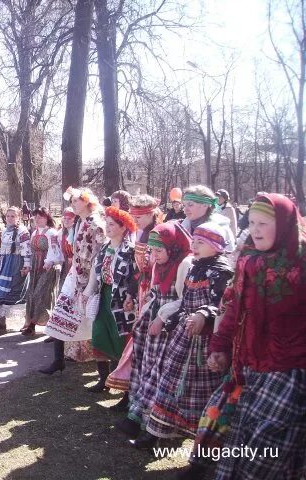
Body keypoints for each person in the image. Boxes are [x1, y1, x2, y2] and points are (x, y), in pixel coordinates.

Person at [182, 194, 306, 480]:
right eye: (252, 223)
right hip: (248, 365)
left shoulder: (300, 266)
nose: (256, 229)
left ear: (286, 224)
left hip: (288, 371)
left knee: (269, 445)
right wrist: (219, 347)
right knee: (238, 434)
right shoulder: (248, 261)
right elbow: (233, 308)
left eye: (264, 223)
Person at [136, 221, 234, 449]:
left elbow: (218, 305)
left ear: (216, 246)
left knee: (197, 390)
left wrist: (202, 315)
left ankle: (199, 442)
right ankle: (157, 434)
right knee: (168, 383)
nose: (195, 245)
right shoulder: (194, 266)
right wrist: (170, 320)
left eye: (201, 242)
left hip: (203, 340)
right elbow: (185, 301)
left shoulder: (221, 271)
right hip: (183, 335)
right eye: (194, 241)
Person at [114, 222, 193, 440]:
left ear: (173, 247)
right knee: (148, 369)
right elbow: (157, 293)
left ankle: (154, 428)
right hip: (155, 323)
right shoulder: (161, 264)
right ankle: (140, 419)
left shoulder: (185, 264)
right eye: (152, 250)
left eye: (159, 250)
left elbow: (184, 300)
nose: (154, 255)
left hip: (171, 327)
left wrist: (161, 317)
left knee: (161, 373)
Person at [41, 187, 106, 375]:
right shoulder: (81, 221)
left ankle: (104, 374)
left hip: (90, 279)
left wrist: (92, 282)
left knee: (95, 322)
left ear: (87, 201)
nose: (73, 205)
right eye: (71, 202)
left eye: (76, 201)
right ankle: (58, 360)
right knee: (60, 314)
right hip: (76, 275)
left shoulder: (96, 221)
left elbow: (101, 253)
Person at [106, 195, 161, 410]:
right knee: (137, 342)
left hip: (156, 294)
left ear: (151, 213)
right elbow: (138, 270)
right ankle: (132, 395)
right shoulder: (140, 233)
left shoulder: (159, 233)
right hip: (141, 291)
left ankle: (143, 400)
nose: (135, 220)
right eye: (133, 215)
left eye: (140, 216)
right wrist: (130, 293)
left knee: (147, 346)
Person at [87, 206, 138, 395]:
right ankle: (103, 380)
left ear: (123, 227)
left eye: (111, 224)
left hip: (120, 300)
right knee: (99, 335)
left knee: (120, 340)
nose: (107, 228)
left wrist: (131, 296)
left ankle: (124, 387)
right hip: (104, 295)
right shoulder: (105, 248)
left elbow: (135, 276)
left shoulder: (130, 250)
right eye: (106, 224)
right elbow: (97, 272)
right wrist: (88, 292)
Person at [0, 206, 32, 332]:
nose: (10, 218)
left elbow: (27, 251)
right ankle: (1, 322)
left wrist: (26, 265)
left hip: (17, 264)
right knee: (2, 292)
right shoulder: (5, 231)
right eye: (8, 216)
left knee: (17, 292)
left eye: (13, 216)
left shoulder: (23, 232)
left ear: (18, 217)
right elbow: (3, 251)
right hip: (5, 264)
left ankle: (27, 322)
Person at [21, 207, 62, 336]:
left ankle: (34, 324)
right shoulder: (34, 233)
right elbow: (30, 251)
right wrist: (27, 265)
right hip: (35, 267)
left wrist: (50, 261)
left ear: (47, 218)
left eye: (41, 217)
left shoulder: (52, 233)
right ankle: (30, 322)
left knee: (40, 294)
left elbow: (54, 250)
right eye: (36, 217)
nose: (38, 220)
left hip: (47, 268)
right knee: (31, 293)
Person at [181, 186, 236, 254]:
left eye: (190, 205)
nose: (185, 210)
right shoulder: (182, 228)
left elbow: (228, 258)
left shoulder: (220, 230)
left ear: (205, 205)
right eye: (184, 205)